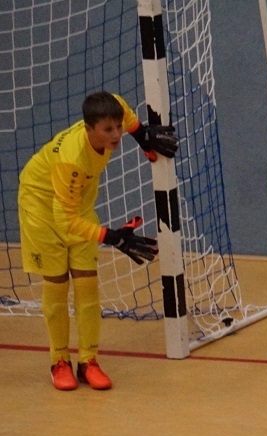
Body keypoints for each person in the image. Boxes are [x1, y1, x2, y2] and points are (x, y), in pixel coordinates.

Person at [18, 91, 177, 390]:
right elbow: (65, 221)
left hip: (75, 205)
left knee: (87, 283)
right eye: (108, 130)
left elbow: (122, 108)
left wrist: (142, 136)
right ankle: (59, 361)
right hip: (41, 207)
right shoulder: (71, 160)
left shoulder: (111, 119)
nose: (116, 135)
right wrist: (112, 237)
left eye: (118, 127)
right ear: (88, 128)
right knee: (57, 282)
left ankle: (88, 361)